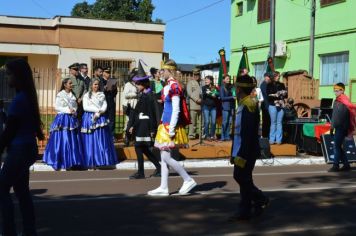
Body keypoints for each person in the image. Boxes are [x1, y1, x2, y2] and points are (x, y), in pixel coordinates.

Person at [0, 58, 45, 235]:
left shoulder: (19, 100)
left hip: (19, 149)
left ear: (18, 76)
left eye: (9, 74)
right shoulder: (27, 97)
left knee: (2, 188)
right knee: (22, 191)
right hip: (27, 148)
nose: (7, 78)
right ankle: (29, 230)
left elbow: (10, 130)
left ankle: (9, 231)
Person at [147, 59, 197, 196]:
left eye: (163, 70)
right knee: (163, 157)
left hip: (170, 125)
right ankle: (164, 187)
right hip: (165, 124)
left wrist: (172, 128)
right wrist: (163, 123)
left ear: (170, 71)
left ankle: (188, 179)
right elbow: (167, 108)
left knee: (166, 157)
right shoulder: (168, 86)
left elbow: (176, 110)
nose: (161, 73)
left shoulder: (174, 86)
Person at [230, 74, 269, 221]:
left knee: (241, 177)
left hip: (246, 150)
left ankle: (259, 199)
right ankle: (246, 209)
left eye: (236, 88)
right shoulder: (244, 103)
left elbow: (248, 133)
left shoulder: (249, 105)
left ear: (239, 89)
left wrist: (242, 154)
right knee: (244, 179)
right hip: (241, 148)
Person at [128, 63, 161, 179]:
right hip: (140, 125)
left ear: (143, 84)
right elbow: (137, 112)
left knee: (139, 147)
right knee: (144, 149)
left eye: (137, 84)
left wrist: (153, 129)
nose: (136, 85)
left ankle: (141, 172)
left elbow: (153, 113)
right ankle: (158, 167)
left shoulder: (150, 96)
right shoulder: (143, 95)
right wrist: (132, 125)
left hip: (145, 126)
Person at [43, 78, 84, 170]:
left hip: (71, 119)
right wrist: (67, 110)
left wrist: (74, 110)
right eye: (70, 83)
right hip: (62, 118)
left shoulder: (72, 95)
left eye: (72, 83)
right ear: (65, 84)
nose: (72, 85)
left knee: (72, 139)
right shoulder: (60, 95)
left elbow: (75, 106)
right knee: (63, 138)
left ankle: (72, 162)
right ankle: (60, 161)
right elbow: (57, 107)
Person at [81, 79, 118, 168]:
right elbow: (85, 107)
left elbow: (105, 105)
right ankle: (90, 160)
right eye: (94, 84)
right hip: (90, 117)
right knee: (91, 140)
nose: (96, 86)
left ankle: (102, 160)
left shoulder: (102, 94)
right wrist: (97, 111)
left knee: (101, 138)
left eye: (97, 84)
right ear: (91, 85)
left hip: (100, 117)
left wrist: (100, 112)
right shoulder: (86, 95)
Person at [328, 82, 356, 172]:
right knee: (338, 146)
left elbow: (343, 115)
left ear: (342, 90)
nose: (335, 92)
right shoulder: (337, 101)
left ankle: (336, 165)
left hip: (342, 127)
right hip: (337, 127)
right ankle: (346, 164)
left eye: (337, 91)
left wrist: (344, 127)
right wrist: (332, 127)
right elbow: (334, 115)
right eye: (334, 91)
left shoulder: (344, 101)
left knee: (336, 146)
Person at [266, 71, 287, 144]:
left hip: (281, 105)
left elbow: (286, 95)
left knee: (279, 123)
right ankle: (272, 139)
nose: (279, 77)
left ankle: (278, 140)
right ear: (274, 76)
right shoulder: (269, 85)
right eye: (278, 76)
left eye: (279, 76)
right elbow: (268, 95)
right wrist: (275, 95)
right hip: (272, 105)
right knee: (273, 123)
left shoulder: (282, 84)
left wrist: (283, 93)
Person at [123, 68, 138, 146]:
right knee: (129, 121)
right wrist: (135, 94)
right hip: (130, 106)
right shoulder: (128, 84)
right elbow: (125, 95)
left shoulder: (137, 84)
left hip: (136, 105)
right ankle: (127, 137)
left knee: (135, 122)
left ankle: (133, 138)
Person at [102, 67, 118, 140]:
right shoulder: (101, 81)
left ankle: (111, 135)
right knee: (104, 118)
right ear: (103, 73)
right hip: (103, 102)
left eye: (109, 72)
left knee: (112, 119)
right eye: (107, 72)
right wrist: (104, 89)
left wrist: (114, 89)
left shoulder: (112, 80)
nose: (108, 74)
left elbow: (115, 92)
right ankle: (104, 134)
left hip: (111, 101)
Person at [202, 75, 219, 140]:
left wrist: (214, 94)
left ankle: (212, 135)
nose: (205, 80)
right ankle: (207, 135)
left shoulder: (214, 87)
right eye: (205, 79)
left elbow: (217, 94)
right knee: (207, 121)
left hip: (213, 107)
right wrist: (211, 94)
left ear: (211, 81)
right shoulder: (203, 88)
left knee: (213, 122)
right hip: (206, 106)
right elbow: (204, 94)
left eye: (207, 79)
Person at [186, 68, 202, 139]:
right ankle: (191, 135)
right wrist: (196, 99)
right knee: (193, 122)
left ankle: (202, 135)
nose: (196, 76)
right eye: (195, 75)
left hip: (202, 105)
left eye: (197, 74)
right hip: (193, 105)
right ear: (193, 75)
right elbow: (189, 93)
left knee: (202, 122)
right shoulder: (190, 83)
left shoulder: (202, 82)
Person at [220, 75, 235, 141]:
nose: (229, 80)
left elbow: (234, 94)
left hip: (231, 106)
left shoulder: (232, 87)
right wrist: (231, 97)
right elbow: (222, 98)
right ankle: (223, 136)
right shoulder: (222, 88)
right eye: (227, 79)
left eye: (229, 79)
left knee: (229, 122)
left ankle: (227, 136)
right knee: (225, 122)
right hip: (225, 107)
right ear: (223, 80)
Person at [260, 73, 272, 138]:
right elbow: (267, 94)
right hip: (265, 106)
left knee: (268, 121)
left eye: (269, 77)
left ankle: (267, 135)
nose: (269, 78)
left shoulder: (267, 84)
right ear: (265, 77)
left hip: (268, 106)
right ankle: (265, 135)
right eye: (268, 77)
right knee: (265, 121)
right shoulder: (263, 85)